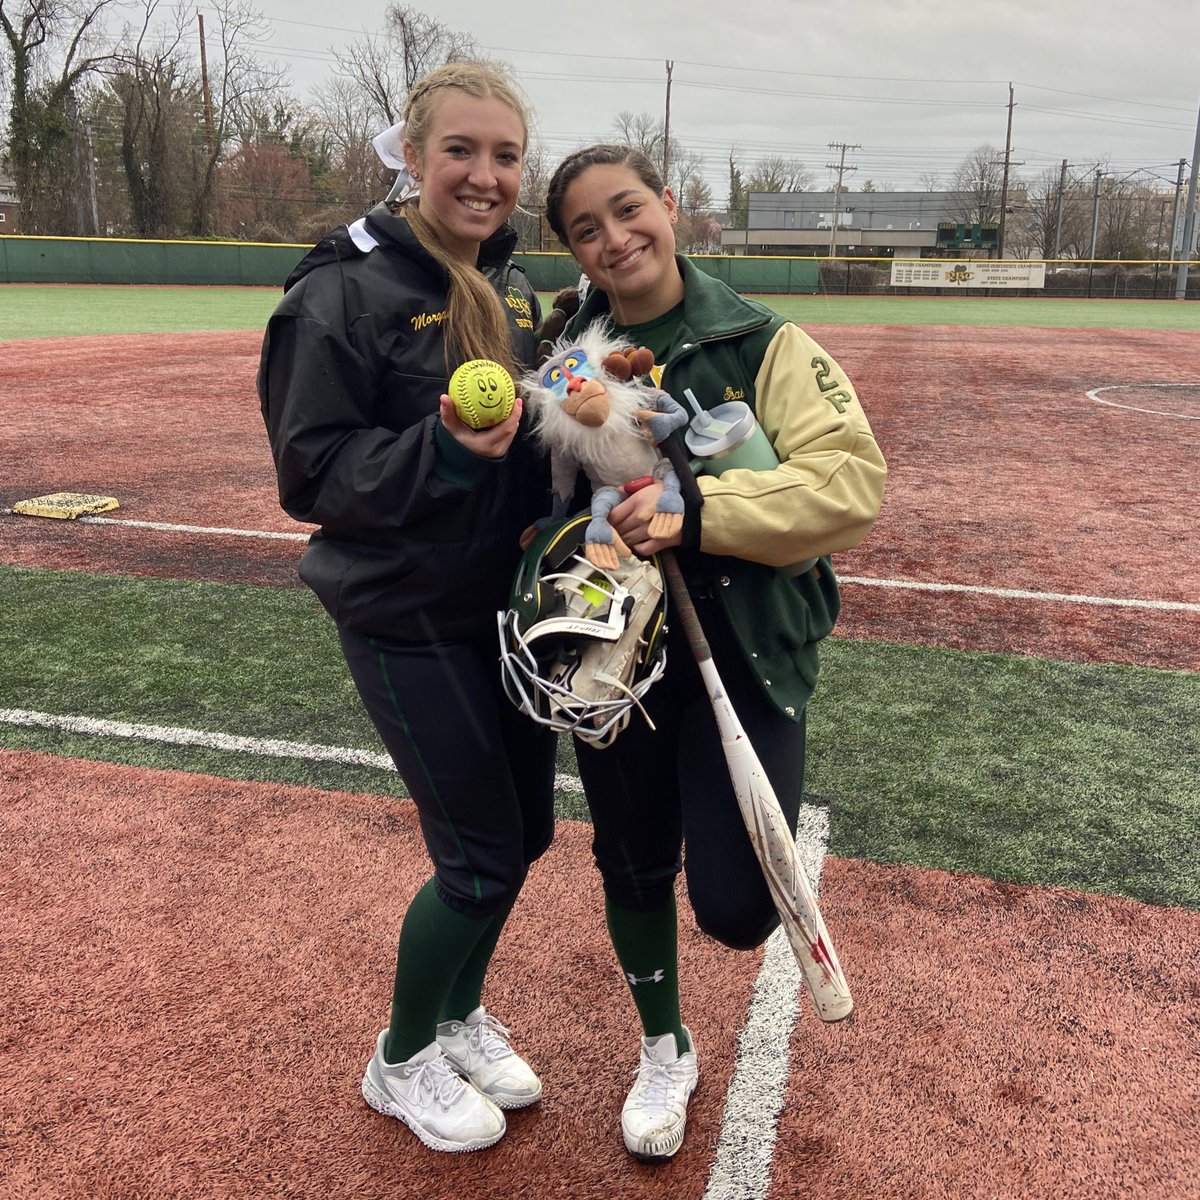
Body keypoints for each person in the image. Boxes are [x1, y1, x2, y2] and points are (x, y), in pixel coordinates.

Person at [540, 145, 887, 1162]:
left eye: (628, 210)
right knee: (631, 859)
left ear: (669, 204)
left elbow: (848, 485)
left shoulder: (761, 340)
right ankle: (665, 1048)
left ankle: (710, 916)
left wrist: (697, 510)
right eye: (586, 230)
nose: (615, 240)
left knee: (736, 909)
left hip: (746, 648)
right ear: (572, 250)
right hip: (617, 654)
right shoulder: (567, 349)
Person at [258, 62, 556, 1155]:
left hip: (503, 614)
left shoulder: (513, 287)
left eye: (505, 155)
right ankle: (401, 1058)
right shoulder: (339, 292)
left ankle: (460, 1015)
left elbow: (529, 451)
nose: (485, 175)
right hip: (405, 613)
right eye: (460, 151)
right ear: (413, 157)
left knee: (526, 835)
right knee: (477, 860)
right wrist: (443, 448)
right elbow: (312, 475)